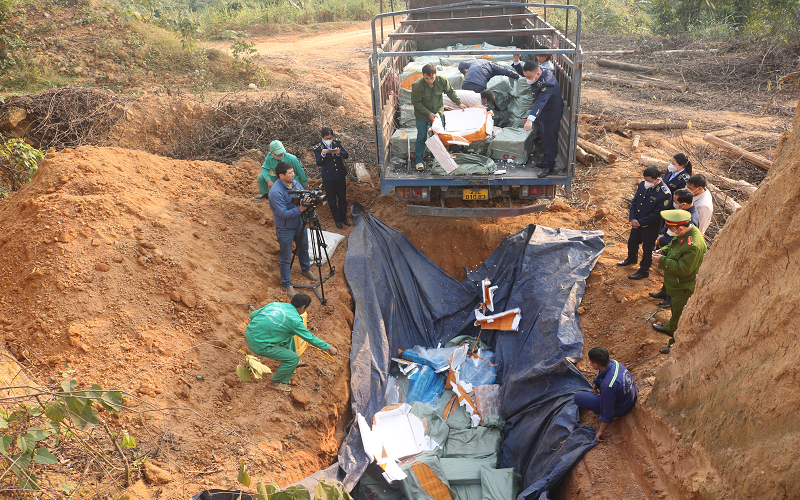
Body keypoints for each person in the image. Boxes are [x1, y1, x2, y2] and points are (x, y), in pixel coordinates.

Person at [245, 293, 339, 392]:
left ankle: (290, 359)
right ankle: (274, 383)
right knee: (293, 358)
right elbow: (310, 338)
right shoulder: (294, 321)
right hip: (259, 345)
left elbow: (253, 315)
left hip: (249, 332)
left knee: (288, 335)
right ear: (303, 307)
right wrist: (329, 348)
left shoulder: (275, 304)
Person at [651, 210, 708, 354]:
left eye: (670, 229)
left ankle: (673, 346)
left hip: (684, 287)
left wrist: (661, 261)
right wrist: (662, 252)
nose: (668, 231)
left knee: (681, 318)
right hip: (677, 285)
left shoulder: (693, 245)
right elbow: (672, 246)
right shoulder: (686, 232)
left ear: (680, 228)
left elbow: (684, 269)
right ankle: (670, 327)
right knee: (676, 313)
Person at [268, 161, 319, 298]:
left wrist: (309, 200)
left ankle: (305, 269)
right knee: (285, 256)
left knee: (303, 248)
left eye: (292, 172)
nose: (293, 174)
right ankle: (287, 284)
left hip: (300, 223)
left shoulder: (295, 183)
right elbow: (283, 214)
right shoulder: (275, 192)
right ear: (281, 176)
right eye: (290, 173)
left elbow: (303, 194)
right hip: (285, 228)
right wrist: (301, 208)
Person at [618, 166, 672, 280]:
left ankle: (644, 270)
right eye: (645, 180)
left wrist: (640, 222)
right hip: (636, 222)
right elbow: (635, 202)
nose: (646, 183)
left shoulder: (665, 193)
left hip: (650, 227)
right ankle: (631, 258)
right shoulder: (643, 185)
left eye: (649, 181)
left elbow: (658, 214)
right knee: (632, 242)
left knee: (647, 249)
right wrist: (632, 218)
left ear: (657, 180)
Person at [574, 346, 638, 442]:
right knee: (603, 390)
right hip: (631, 395)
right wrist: (595, 386)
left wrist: (600, 431)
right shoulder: (614, 363)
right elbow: (601, 374)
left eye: (590, 362)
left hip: (622, 407)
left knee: (578, 397)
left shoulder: (608, 386)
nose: (590, 364)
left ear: (596, 365)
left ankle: (616, 416)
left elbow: (607, 410)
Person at [513, 59, 563, 177]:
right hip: (543, 112)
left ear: (538, 74)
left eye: (529, 77)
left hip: (551, 113)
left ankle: (548, 166)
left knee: (549, 140)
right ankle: (546, 160)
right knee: (545, 138)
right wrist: (516, 62)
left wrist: (530, 119)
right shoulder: (537, 72)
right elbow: (526, 72)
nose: (527, 79)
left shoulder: (548, 82)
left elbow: (541, 102)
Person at [411, 64, 466, 172]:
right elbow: (416, 102)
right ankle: (419, 161)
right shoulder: (417, 85)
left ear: (435, 74)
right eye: (427, 78)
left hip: (437, 113)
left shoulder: (442, 80)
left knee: (437, 136)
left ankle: (434, 157)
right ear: (423, 76)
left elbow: (450, 92)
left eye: (432, 78)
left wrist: (459, 103)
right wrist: (428, 114)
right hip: (422, 115)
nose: (430, 81)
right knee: (421, 136)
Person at [650, 189, 700, 307]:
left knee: (674, 276)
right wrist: (662, 237)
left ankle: (669, 300)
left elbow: (678, 240)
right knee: (668, 275)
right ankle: (664, 292)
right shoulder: (682, 212)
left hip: (677, 254)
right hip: (671, 248)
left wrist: (662, 241)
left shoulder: (690, 219)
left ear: (683, 204)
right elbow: (668, 226)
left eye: (675, 201)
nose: (674, 202)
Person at [313, 127, 350, 230]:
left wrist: (339, 153)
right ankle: (337, 220)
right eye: (327, 138)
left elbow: (346, 155)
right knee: (332, 200)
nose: (329, 139)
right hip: (328, 178)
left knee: (342, 198)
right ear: (322, 138)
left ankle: (344, 218)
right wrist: (322, 154)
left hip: (339, 175)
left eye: (331, 137)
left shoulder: (337, 143)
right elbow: (319, 163)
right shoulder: (318, 148)